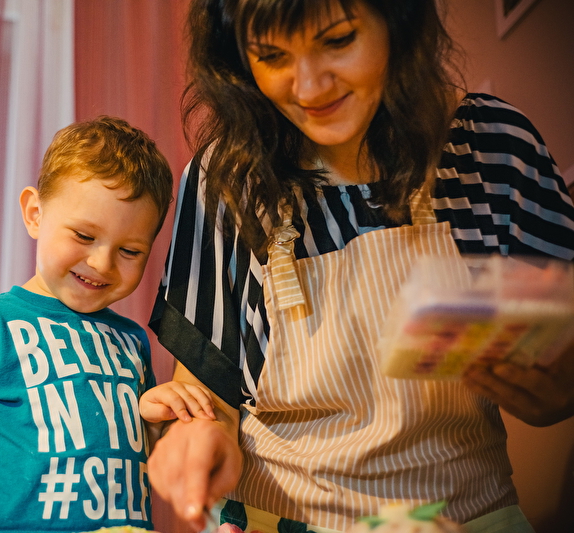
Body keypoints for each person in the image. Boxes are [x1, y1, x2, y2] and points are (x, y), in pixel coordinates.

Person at [146, 1, 574, 533]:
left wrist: (555, 386)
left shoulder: (492, 147)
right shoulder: (225, 178)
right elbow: (207, 395)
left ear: (397, 20)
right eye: (273, 56)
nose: (309, 88)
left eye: (338, 40)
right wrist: (197, 436)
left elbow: (559, 368)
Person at [0, 116, 215, 533]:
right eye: (84, 236)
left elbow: (136, 454)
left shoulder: (132, 340)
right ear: (35, 214)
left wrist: (155, 420)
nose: (102, 263)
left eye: (130, 251)